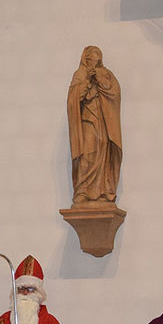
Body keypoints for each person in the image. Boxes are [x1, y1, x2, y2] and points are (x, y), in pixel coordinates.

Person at [66, 45, 122, 205]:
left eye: (98, 60)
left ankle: (103, 191)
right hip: (87, 122)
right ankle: (82, 191)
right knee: (87, 155)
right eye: (91, 60)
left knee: (103, 153)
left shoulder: (107, 74)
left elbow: (114, 93)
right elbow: (73, 101)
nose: (94, 63)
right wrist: (86, 81)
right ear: (86, 59)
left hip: (103, 124)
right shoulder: (80, 75)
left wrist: (99, 80)